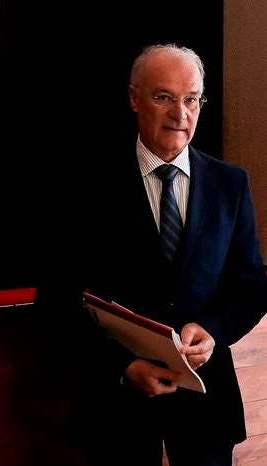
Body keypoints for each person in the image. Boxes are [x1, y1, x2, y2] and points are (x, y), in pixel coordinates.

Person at [34, 43, 267, 465]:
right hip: (117, 409)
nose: (180, 114)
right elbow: (55, 298)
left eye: (191, 99)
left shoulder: (230, 183)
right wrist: (121, 366)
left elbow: (252, 286)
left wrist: (213, 330)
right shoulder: (85, 185)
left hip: (207, 408)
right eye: (164, 97)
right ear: (134, 98)